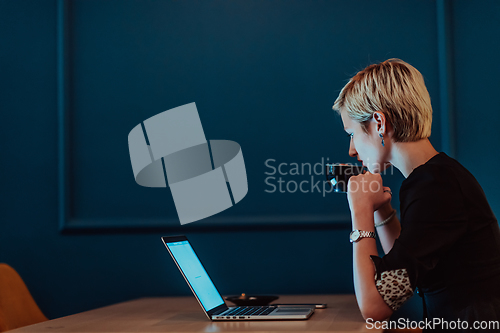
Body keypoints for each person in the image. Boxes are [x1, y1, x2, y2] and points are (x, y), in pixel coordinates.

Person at [332, 59, 500, 331]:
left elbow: (375, 307)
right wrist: (381, 212)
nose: (352, 150)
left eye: (352, 134)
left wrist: (360, 212)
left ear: (378, 123)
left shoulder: (436, 187)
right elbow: (403, 275)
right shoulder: (433, 178)